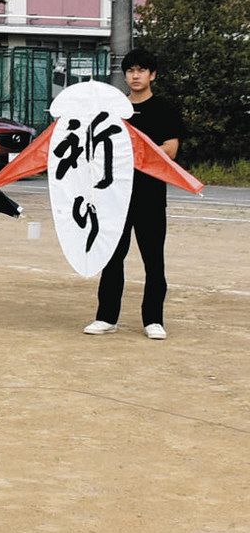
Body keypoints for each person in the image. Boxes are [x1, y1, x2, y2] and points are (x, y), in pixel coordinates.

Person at [85, 48, 184, 340]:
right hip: (115, 196)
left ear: (152, 75)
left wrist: (137, 156)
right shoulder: (115, 111)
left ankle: (153, 319)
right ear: (125, 75)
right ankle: (106, 317)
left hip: (150, 195)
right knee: (112, 256)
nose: (135, 75)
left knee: (153, 258)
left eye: (141, 70)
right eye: (130, 71)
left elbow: (171, 150)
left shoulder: (165, 109)